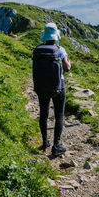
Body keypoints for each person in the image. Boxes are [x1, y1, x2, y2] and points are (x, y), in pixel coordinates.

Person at [32, 23, 71, 156]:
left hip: (42, 86)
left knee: (43, 114)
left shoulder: (37, 50)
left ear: (44, 36)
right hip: (59, 86)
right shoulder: (60, 49)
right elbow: (67, 68)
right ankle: (57, 146)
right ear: (56, 36)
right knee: (59, 115)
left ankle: (44, 142)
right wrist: (68, 61)